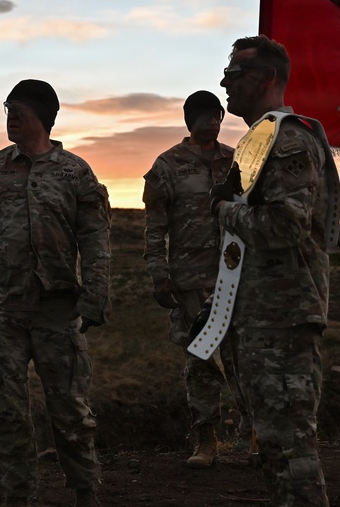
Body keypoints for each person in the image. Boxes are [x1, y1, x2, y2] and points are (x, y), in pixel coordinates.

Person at [0, 80, 111, 507]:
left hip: (58, 309)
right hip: (1, 310)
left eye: (19, 109)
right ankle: (16, 494)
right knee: (7, 411)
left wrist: (95, 294)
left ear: (45, 115)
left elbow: (95, 239)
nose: (11, 116)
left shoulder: (76, 172)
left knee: (70, 409)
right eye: (7, 109)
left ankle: (85, 492)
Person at [208, 35, 340, 507]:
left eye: (233, 75)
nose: (225, 84)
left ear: (265, 78)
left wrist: (224, 209)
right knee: (272, 448)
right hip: (257, 319)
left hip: (282, 319)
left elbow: (285, 226)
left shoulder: (287, 139)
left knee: (292, 451)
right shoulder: (257, 140)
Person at [142, 90, 250, 468]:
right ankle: (206, 440)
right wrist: (159, 274)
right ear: (190, 120)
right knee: (201, 360)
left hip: (235, 277)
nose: (213, 121)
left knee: (243, 358)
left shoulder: (237, 160)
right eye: (205, 115)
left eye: (218, 114)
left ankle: (252, 435)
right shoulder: (167, 165)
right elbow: (155, 227)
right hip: (191, 281)